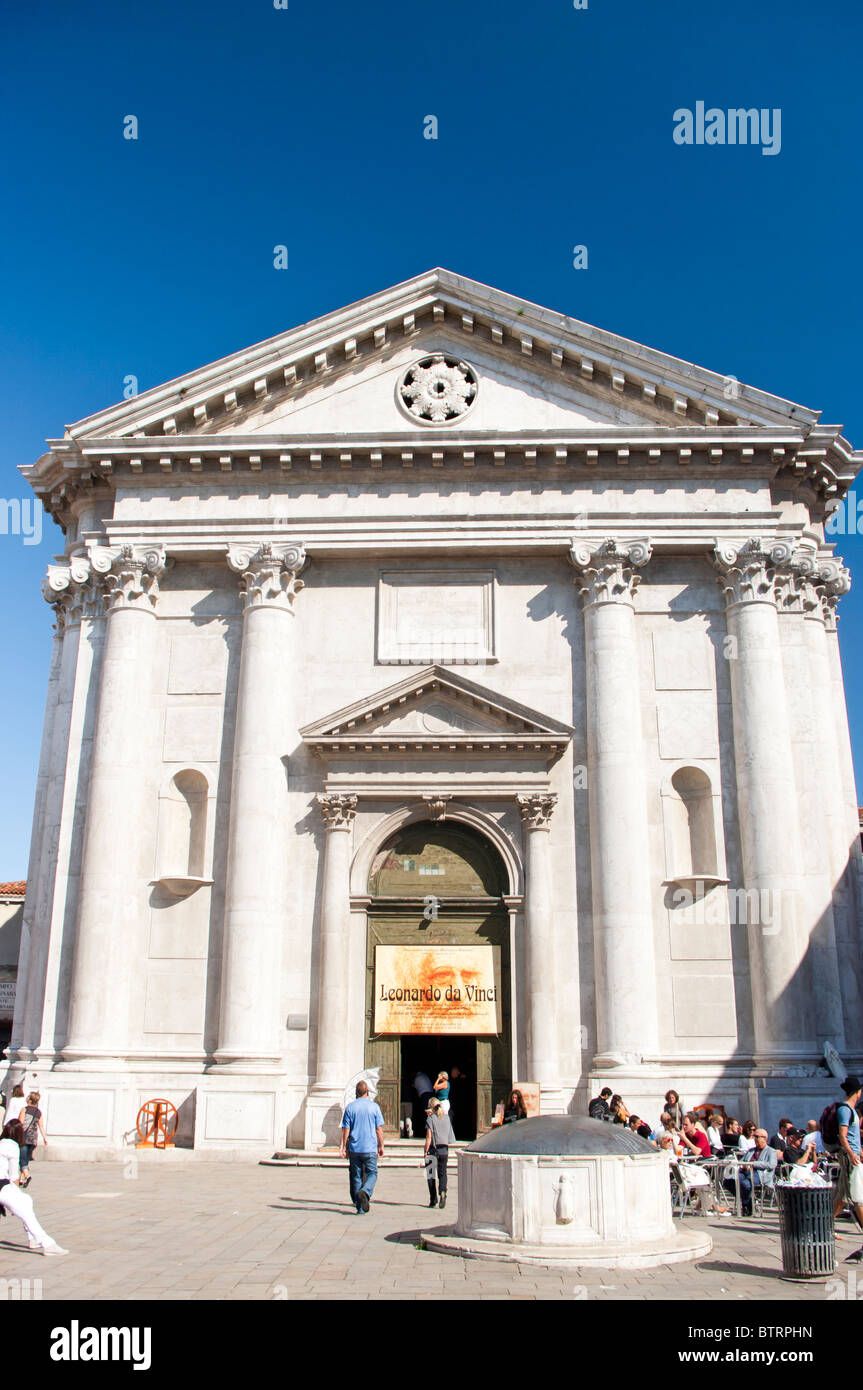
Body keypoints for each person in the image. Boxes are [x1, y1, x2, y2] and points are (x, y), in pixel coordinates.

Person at [0, 1120, 67, 1255]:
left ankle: (33, 1239)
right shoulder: (12, 1146)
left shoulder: (1, 1143)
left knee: (26, 1200)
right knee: (25, 1210)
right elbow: (14, 1176)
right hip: (2, 1185)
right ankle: (47, 1244)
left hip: (3, 1184)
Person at [829, 1075, 863, 1262]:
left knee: (842, 1195)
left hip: (853, 1156)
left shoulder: (849, 1110)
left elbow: (851, 1136)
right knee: (857, 1196)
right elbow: (843, 1136)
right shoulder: (845, 1110)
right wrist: (852, 1154)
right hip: (850, 1159)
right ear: (857, 1092)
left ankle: (824, 1225)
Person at [338, 1080, 385, 1215]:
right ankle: (365, 1191)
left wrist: (342, 1146)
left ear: (356, 1092)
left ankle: (360, 1209)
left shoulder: (350, 1108)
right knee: (372, 1173)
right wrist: (381, 1145)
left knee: (356, 1176)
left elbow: (346, 1129)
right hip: (370, 1147)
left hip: (354, 1148)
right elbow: (379, 1130)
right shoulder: (374, 1107)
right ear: (368, 1092)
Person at [724, 1128, 778, 1216]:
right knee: (728, 1182)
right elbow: (742, 1161)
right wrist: (743, 1165)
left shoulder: (771, 1151)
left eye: (756, 1136)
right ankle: (749, 1202)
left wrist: (753, 1164)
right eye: (754, 1136)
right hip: (744, 1172)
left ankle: (746, 1206)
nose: (754, 1139)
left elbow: (771, 1165)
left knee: (745, 1184)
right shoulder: (751, 1150)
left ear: (764, 1138)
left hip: (759, 1174)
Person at [424, 1100, 456, 1209]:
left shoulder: (430, 1118)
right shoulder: (447, 1118)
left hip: (433, 1149)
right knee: (443, 1173)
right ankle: (443, 1191)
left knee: (431, 1175)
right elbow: (450, 1137)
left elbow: (429, 1137)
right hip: (444, 1150)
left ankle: (433, 1199)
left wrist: (425, 1151)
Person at [18, 1091, 46, 1187]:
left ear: (29, 1100)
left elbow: (20, 1123)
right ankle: (21, 1179)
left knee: (21, 1159)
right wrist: (45, 1138)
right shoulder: (39, 1112)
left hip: (24, 1137)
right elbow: (41, 1126)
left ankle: (27, 1176)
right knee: (25, 1159)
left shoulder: (24, 1110)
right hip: (33, 1139)